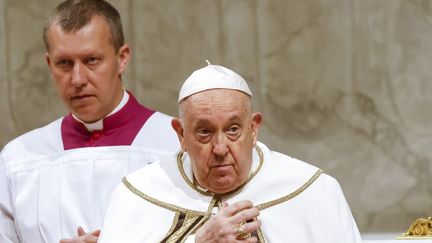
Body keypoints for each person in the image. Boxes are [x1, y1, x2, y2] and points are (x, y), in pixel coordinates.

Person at [98, 63, 362, 242]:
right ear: (181, 135)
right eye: (204, 132)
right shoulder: (137, 195)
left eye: (233, 129)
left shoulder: (314, 192)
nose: (221, 148)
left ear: (254, 128)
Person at [0, 0, 179, 242]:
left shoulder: (177, 144)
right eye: (64, 63)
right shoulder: (18, 159)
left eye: (91, 60)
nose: (77, 79)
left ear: (122, 58)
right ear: (49, 65)